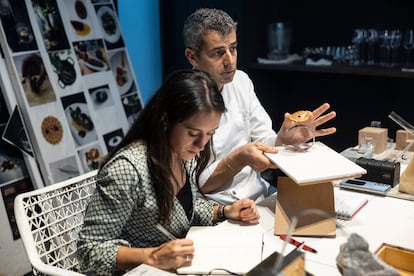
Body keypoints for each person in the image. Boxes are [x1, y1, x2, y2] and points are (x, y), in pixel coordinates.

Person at [76, 69, 260, 275]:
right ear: (166, 120)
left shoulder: (181, 153)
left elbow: (180, 211)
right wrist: (151, 256)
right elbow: (87, 252)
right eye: (193, 133)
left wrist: (223, 212)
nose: (201, 144)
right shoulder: (127, 170)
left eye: (210, 134)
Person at [183, 8, 337, 204]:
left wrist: (283, 140)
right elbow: (195, 184)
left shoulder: (240, 81)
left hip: (259, 194)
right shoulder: (183, 101)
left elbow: (263, 138)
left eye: (233, 48)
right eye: (218, 53)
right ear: (192, 57)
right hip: (216, 207)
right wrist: (237, 159)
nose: (229, 61)